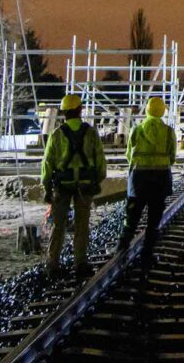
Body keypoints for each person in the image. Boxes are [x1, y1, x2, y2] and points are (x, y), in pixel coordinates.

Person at [41, 93, 107, 277]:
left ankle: (53, 264)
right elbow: (100, 160)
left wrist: (47, 187)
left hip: (62, 186)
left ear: (64, 113)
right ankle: (80, 263)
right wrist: (98, 181)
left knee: (58, 226)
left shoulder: (56, 134)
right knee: (81, 225)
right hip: (85, 186)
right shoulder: (91, 133)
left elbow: (47, 163)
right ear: (80, 110)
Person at [118, 98, 176, 265]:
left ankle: (122, 248)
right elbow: (171, 157)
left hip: (139, 179)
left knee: (133, 215)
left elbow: (129, 155)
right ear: (162, 111)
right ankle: (147, 254)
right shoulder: (168, 132)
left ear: (147, 111)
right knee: (154, 218)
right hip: (160, 179)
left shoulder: (137, 130)